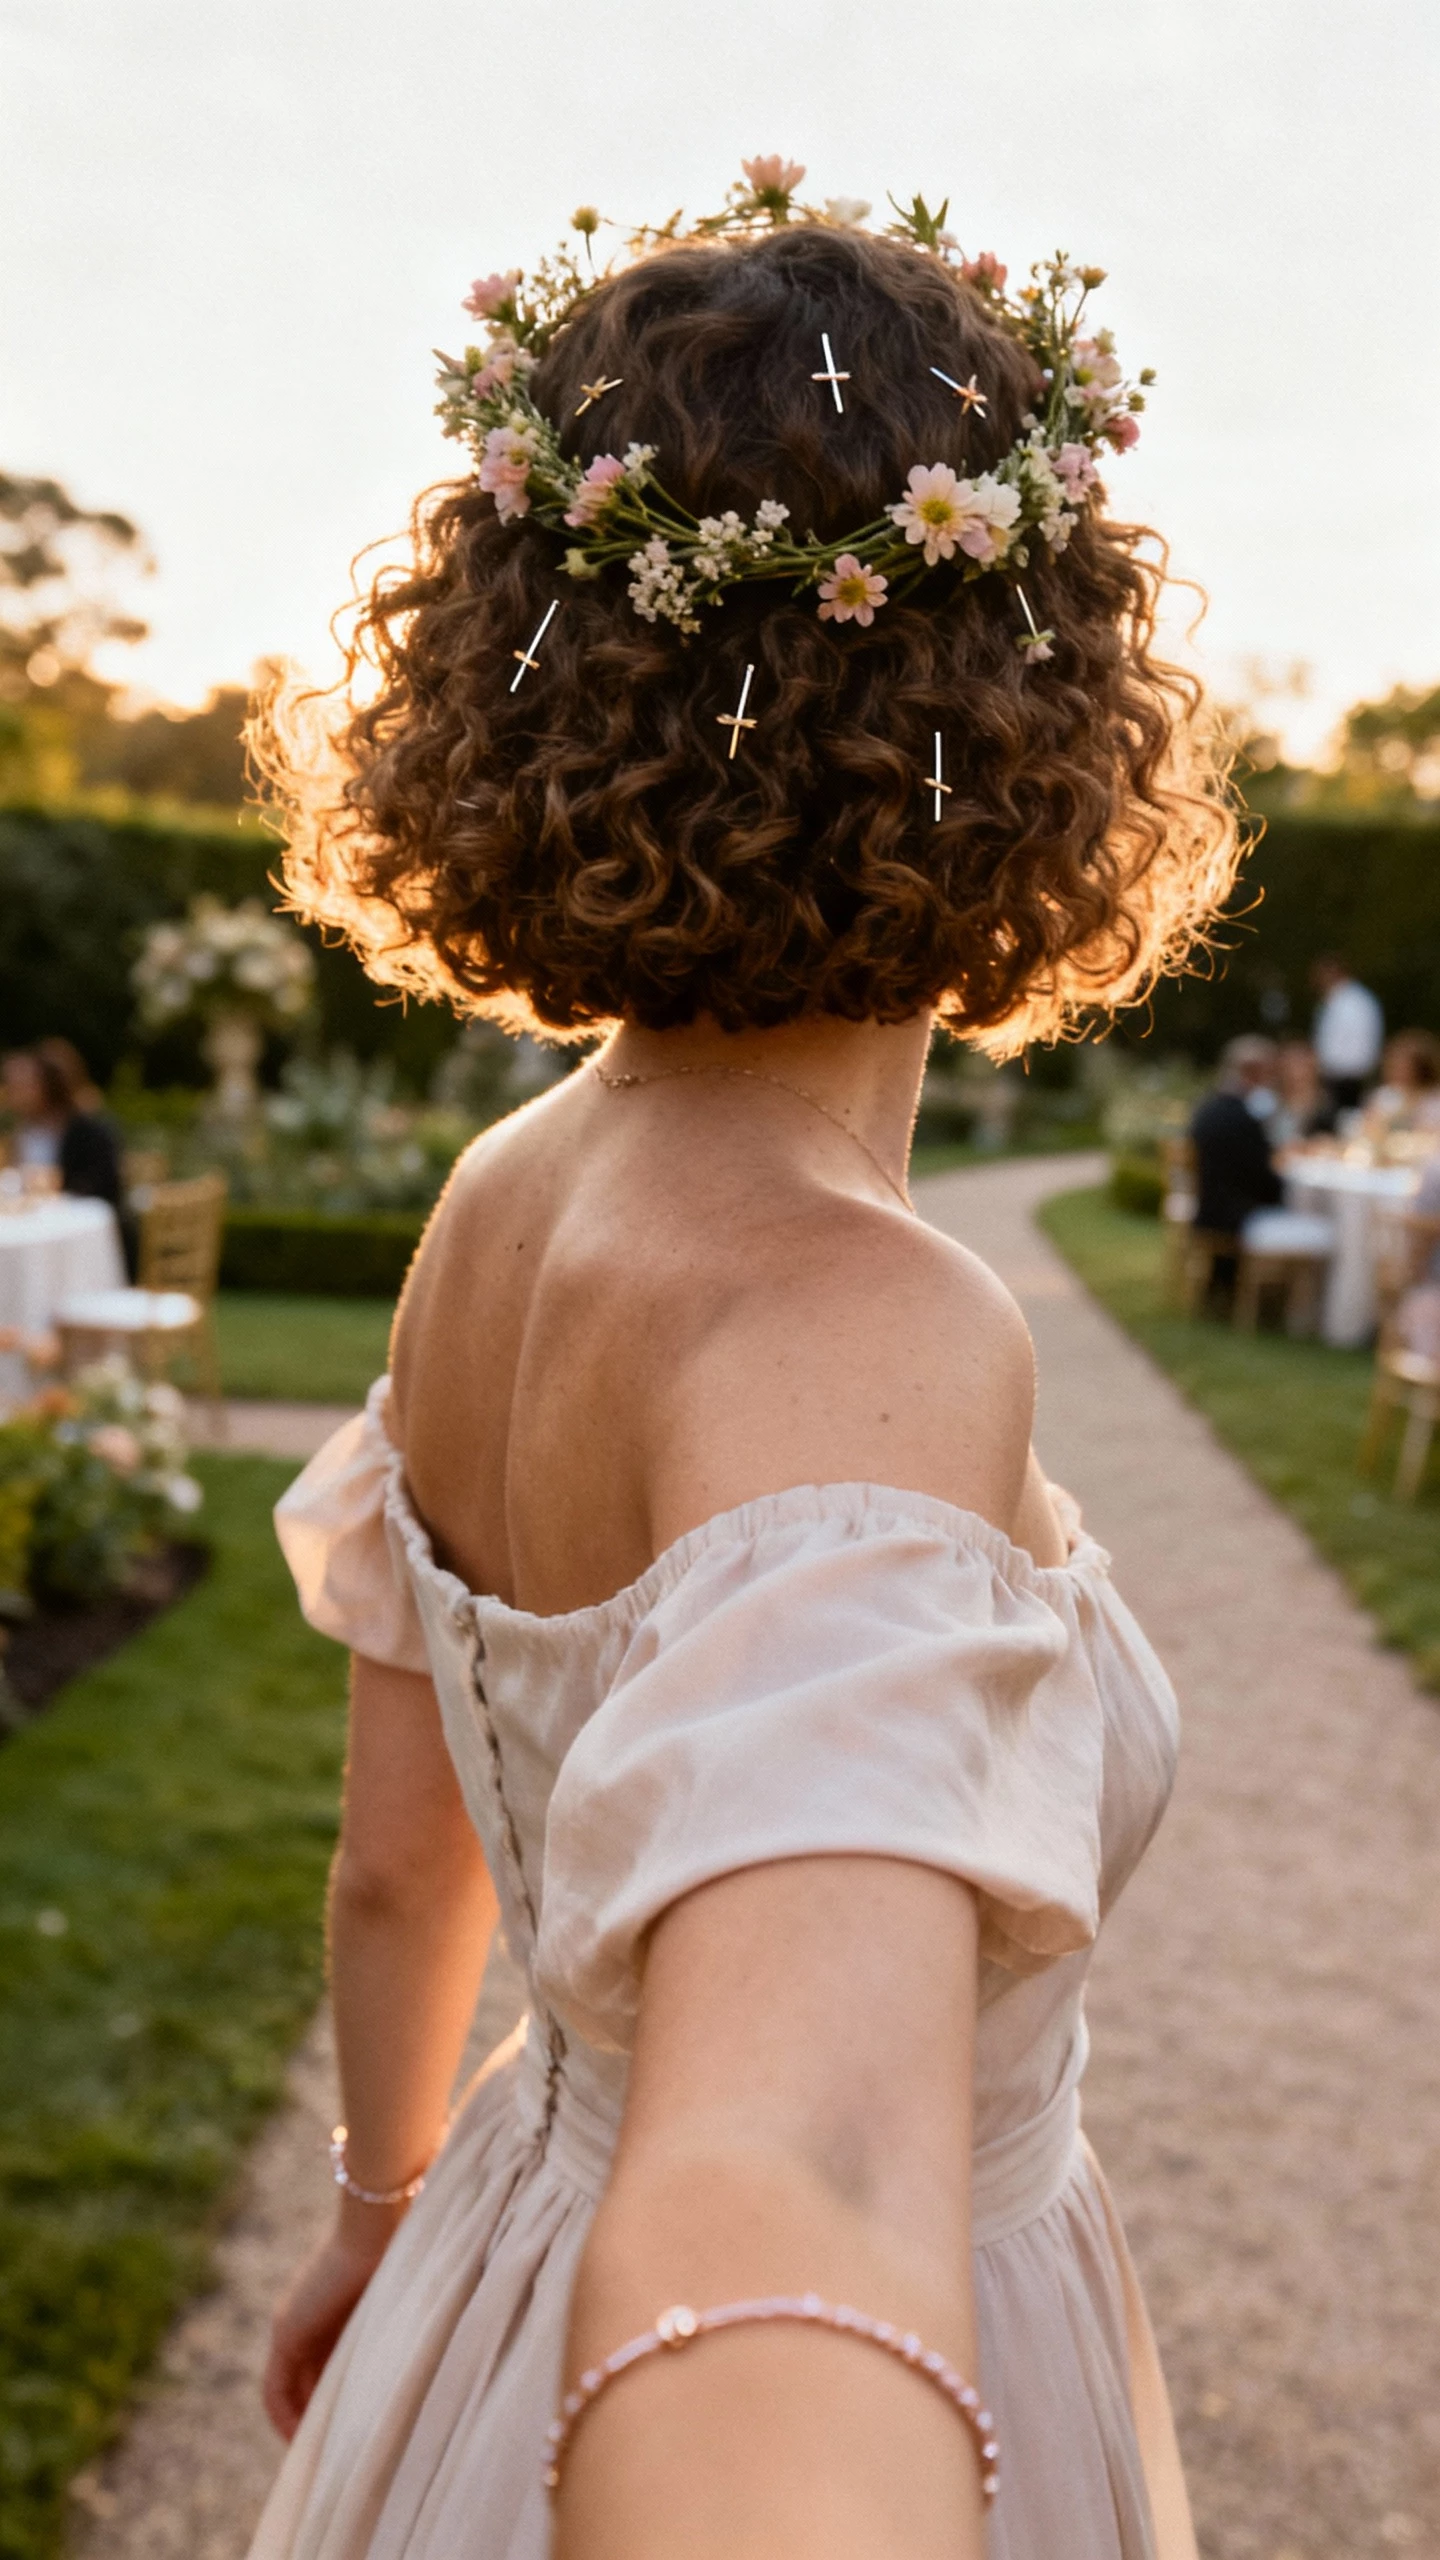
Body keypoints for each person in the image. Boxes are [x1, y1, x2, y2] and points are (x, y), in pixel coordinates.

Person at [246, 181, 1240, 2560]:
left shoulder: (493, 1192)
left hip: (495, 2262)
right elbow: (805, 2155)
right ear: (1031, 713)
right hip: (855, 2363)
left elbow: (404, 1868)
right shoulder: (866, 1315)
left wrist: (384, 2208)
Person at [1, 1046, 126, 1211]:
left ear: (48, 1087)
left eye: (24, 1085)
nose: (14, 1093)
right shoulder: (19, 1129)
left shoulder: (88, 1131)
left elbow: (103, 1186)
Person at [1188, 1036, 1284, 1237]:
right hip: (1232, 1219)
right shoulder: (1243, 1119)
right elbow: (1264, 1180)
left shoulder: (1208, 1109)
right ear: (1255, 1072)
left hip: (1207, 1210)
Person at [1310, 955, 1384, 1127]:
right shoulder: (1344, 1000)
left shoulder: (1352, 1002)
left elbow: (1353, 1047)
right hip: (1342, 1076)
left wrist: (1324, 1067)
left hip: (1347, 1077)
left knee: (1347, 1124)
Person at [1366, 1029, 1440, 1142]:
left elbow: (1431, 1135)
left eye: (1403, 1067)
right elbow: (1369, 1127)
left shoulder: (1434, 1099)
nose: (1395, 1071)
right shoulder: (1385, 1095)